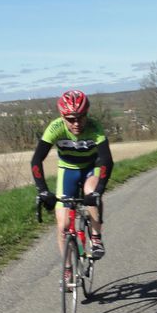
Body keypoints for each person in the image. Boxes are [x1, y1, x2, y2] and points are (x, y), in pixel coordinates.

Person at [30, 89, 113, 263]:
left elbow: (107, 160)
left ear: (87, 114)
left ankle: (96, 237)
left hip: (91, 168)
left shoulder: (94, 127)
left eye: (81, 117)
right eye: (70, 119)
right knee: (63, 226)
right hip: (68, 170)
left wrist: (99, 191)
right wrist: (43, 191)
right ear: (62, 117)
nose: (76, 123)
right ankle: (67, 269)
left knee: (91, 192)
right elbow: (36, 160)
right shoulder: (55, 128)